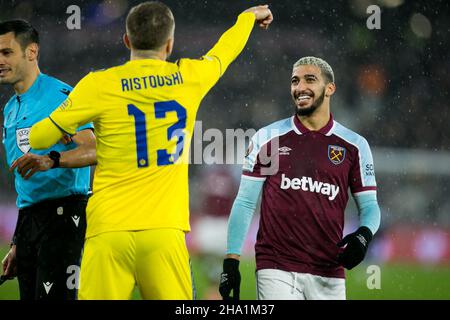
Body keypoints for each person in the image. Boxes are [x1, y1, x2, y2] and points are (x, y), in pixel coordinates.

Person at [29, 2, 274, 299]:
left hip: (109, 232)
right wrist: (246, 18)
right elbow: (224, 52)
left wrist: (70, 128)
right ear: (170, 44)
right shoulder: (189, 77)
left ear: (127, 40)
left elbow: (39, 137)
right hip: (163, 233)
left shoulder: (98, 85)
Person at [219, 56, 381, 300]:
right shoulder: (267, 138)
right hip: (276, 267)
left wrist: (363, 235)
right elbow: (245, 202)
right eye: (295, 81)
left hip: (330, 270)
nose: (300, 87)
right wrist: (231, 260)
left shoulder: (355, 146)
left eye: (310, 79)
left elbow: (369, 206)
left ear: (330, 89)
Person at [0, 20, 96, 300]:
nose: (0, 61)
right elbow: (25, 184)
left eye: (7, 53)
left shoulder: (60, 96)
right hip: (30, 221)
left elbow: (94, 150)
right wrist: (20, 240)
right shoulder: (9, 109)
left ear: (31, 52)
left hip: (65, 217)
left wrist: (52, 160)